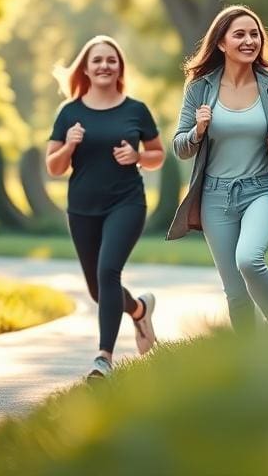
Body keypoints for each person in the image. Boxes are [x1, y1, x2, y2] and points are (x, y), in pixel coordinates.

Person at [167, 5, 268, 332]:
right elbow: (180, 147)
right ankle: (248, 355)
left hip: (262, 191)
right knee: (235, 292)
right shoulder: (199, 89)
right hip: (215, 198)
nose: (249, 41)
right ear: (221, 43)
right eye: (239, 34)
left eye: (254, 34)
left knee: (249, 259)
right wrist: (198, 131)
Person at [46, 35, 165, 378]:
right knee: (99, 291)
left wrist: (138, 156)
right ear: (85, 68)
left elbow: (158, 155)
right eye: (97, 60)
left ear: (120, 68)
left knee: (108, 272)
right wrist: (69, 145)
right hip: (82, 208)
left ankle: (104, 358)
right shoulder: (69, 113)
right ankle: (139, 310)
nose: (104, 66)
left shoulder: (136, 110)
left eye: (111, 60)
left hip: (126, 202)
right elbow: (53, 167)